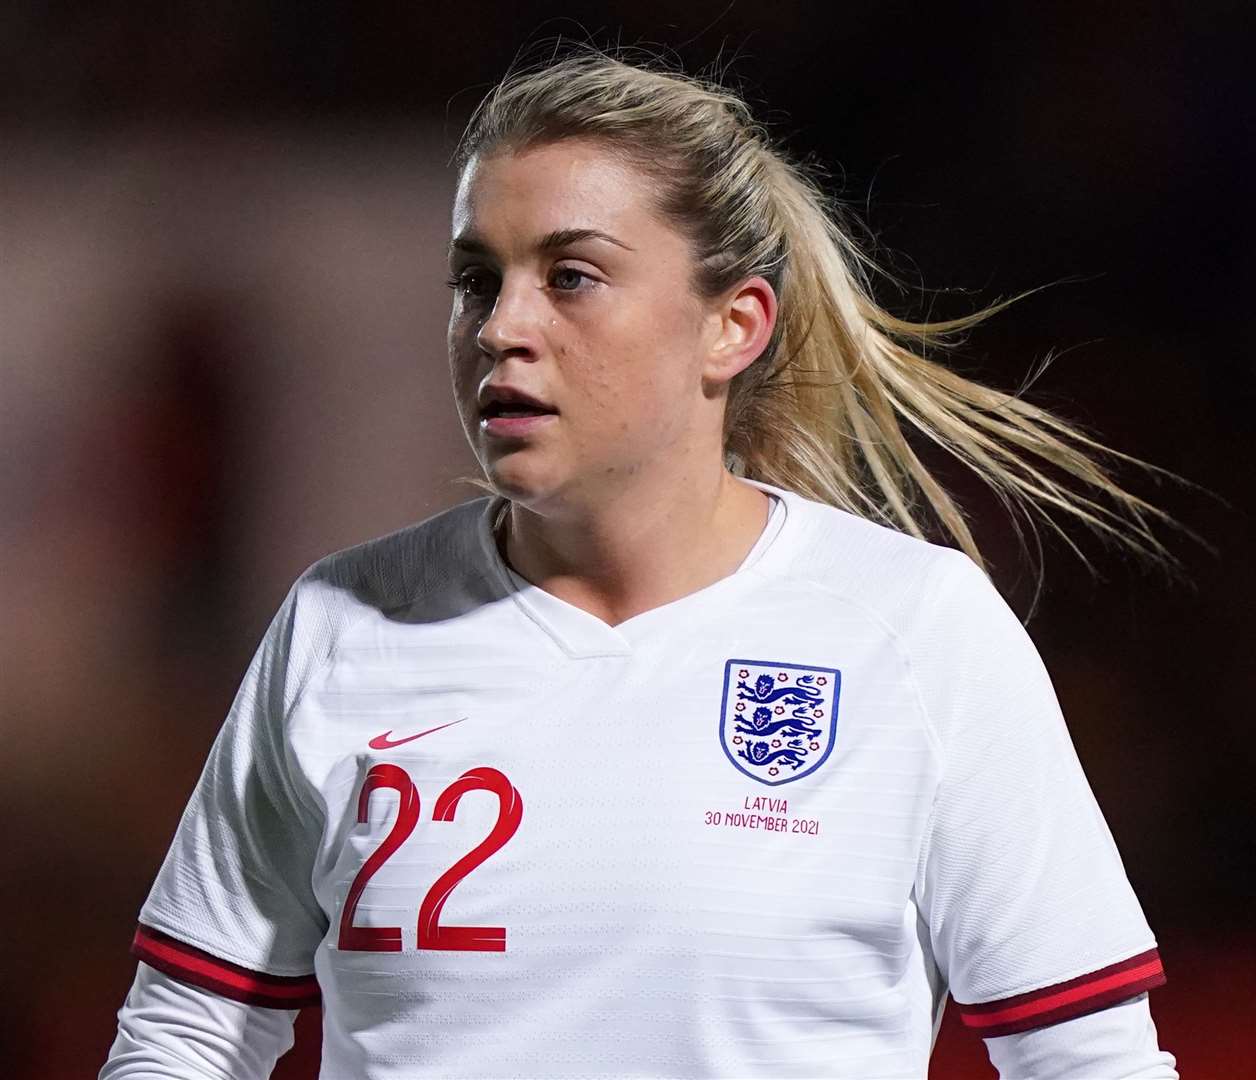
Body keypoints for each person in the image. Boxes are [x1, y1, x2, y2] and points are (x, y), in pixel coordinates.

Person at [101, 43, 1186, 1079]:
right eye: (477, 282)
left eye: (571, 276)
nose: (500, 328)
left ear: (734, 326)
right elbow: (189, 1031)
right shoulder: (346, 623)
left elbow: (1085, 1057)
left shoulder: (913, 632)